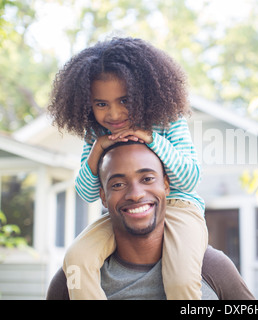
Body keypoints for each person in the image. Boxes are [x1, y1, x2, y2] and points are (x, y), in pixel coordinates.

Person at [48, 37, 207, 300]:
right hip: (123, 214)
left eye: (124, 101)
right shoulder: (97, 133)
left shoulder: (167, 121)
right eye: (101, 104)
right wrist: (98, 149)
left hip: (179, 207)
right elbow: (87, 193)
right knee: (76, 259)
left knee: (181, 280)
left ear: (143, 94)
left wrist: (152, 139)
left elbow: (189, 179)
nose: (114, 114)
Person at [46, 141, 254, 300]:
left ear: (166, 184)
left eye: (147, 179)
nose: (135, 194)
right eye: (118, 184)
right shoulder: (73, 279)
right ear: (103, 196)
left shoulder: (211, 267)